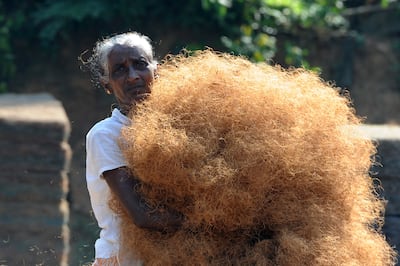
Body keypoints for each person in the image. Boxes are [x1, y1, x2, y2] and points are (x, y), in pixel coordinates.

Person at [82, 32, 183, 266]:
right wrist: (219, 224)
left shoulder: (177, 128)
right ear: (107, 85)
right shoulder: (105, 135)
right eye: (119, 70)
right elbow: (142, 215)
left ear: (156, 71)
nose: (133, 77)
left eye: (140, 65)